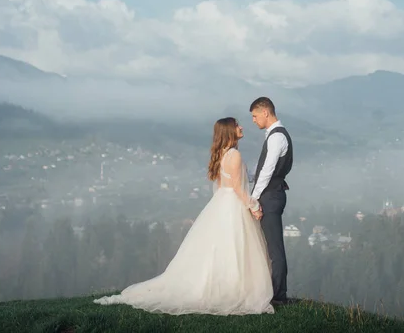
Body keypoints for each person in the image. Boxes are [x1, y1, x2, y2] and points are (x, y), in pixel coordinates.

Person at [93, 117, 274, 315]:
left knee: (221, 249)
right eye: (237, 125)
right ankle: (233, 289)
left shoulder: (222, 154)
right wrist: (253, 206)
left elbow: (223, 186)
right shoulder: (235, 156)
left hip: (222, 203)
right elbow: (239, 190)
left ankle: (223, 287)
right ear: (229, 131)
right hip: (233, 204)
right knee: (235, 248)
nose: (241, 127)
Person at [249, 97, 293, 305]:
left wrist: (254, 197)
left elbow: (267, 171)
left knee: (275, 248)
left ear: (265, 112)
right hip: (272, 193)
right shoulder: (275, 135)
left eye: (255, 116)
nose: (254, 121)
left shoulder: (277, 138)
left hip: (271, 196)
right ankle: (273, 291)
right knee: (269, 246)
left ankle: (279, 295)